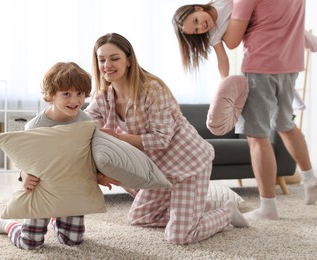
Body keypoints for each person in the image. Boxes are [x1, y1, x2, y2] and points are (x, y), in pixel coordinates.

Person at [84, 32, 249, 245]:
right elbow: (84, 124)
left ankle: (226, 212)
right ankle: (193, 212)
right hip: (159, 172)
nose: (107, 65)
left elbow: (161, 139)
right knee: (138, 218)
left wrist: (117, 136)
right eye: (102, 59)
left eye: (114, 58)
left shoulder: (152, 89)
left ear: (128, 60)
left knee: (179, 236)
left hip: (188, 165)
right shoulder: (104, 97)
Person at [0, 61, 120, 250]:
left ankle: (56, 217)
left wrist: (99, 176)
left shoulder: (86, 123)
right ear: (52, 95)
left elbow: (88, 157)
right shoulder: (35, 126)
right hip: (42, 190)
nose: (75, 100)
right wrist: (24, 175)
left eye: (79, 93)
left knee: (72, 240)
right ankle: (9, 225)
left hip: (71, 189)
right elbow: (25, 159)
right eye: (66, 94)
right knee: (29, 243)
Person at [219, 0, 317, 220]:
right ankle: (309, 176)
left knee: (257, 136)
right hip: (290, 66)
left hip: (260, 67)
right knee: (285, 124)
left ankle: (268, 207)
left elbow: (231, 41)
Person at [172, 1, 317, 78]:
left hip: (260, 16)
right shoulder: (212, 35)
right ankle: (294, 98)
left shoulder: (219, 2)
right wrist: (224, 79)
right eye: (196, 31)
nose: (201, 26)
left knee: (298, 34)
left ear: (198, 8)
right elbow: (222, 59)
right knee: (275, 63)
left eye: (196, 21)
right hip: (253, 30)